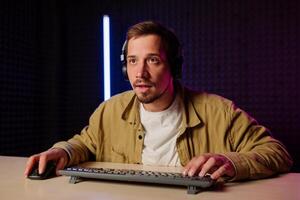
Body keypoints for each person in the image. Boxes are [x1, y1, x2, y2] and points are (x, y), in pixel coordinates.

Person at [24, 21, 292, 181]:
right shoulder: (111, 110)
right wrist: (64, 151)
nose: (140, 73)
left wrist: (231, 162)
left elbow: (277, 153)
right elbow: (85, 143)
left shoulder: (219, 111)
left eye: (153, 60)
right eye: (132, 61)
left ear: (174, 67)